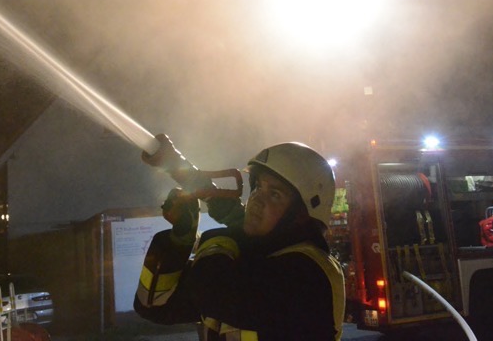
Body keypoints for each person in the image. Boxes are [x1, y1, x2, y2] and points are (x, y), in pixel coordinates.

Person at [134, 134, 345, 341]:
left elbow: (212, 290)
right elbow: (155, 306)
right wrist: (181, 238)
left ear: (301, 215)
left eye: (275, 194)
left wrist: (229, 234)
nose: (257, 199)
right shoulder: (250, 258)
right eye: (258, 187)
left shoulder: (310, 272)